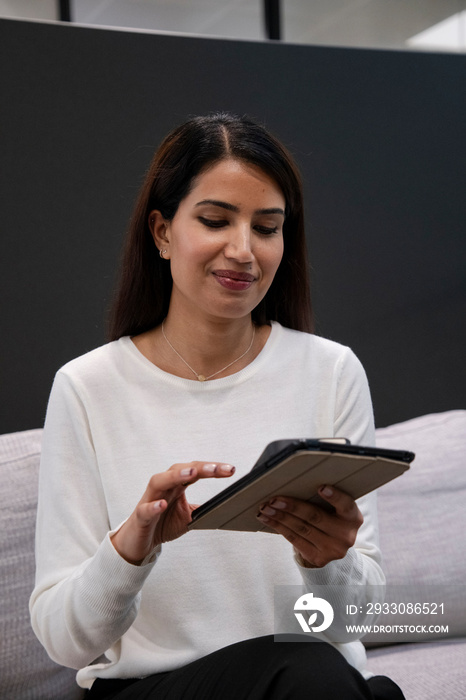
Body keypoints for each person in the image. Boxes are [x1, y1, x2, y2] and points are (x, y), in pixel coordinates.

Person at [30, 112, 404, 699]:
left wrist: (326, 562)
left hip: (309, 684)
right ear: (161, 232)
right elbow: (65, 642)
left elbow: (356, 620)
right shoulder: (87, 387)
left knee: (327, 676)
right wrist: (132, 548)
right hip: (162, 690)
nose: (243, 250)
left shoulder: (331, 372)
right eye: (214, 220)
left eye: (267, 227)